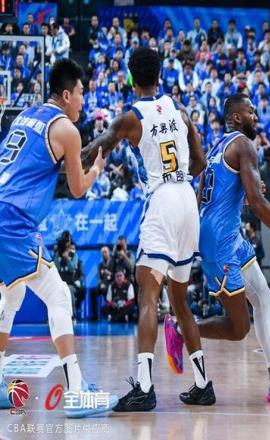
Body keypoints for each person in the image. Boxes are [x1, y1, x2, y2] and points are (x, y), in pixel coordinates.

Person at [165, 94, 270, 403]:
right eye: (251, 111)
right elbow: (257, 204)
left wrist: (245, 191)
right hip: (220, 243)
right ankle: (180, 328)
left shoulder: (217, 148)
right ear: (236, 117)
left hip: (227, 236)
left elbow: (210, 198)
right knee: (238, 328)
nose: (256, 116)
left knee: (264, 297)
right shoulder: (244, 145)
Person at [81, 47, 209, 409]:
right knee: (180, 301)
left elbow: (98, 148)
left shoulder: (131, 117)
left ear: (130, 77)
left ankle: (144, 386)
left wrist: (67, 159)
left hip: (163, 199)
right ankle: (203, 383)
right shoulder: (180, 112)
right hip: (187, 199)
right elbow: (199, 162)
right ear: (159, 75)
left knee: (148, 295)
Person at [0, 59, 117, 417]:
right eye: (81, 93)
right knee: (58, 295)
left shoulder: (25, 115)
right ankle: (76, 391)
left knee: (11, 295)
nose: (83, 100)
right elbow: (78, 189)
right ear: (66, 95)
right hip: (12, 221)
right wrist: (96, 169)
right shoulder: (67, 129)